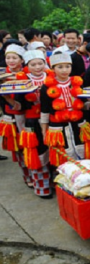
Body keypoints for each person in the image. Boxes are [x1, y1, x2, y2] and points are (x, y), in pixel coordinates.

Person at [40, 52, 90, 167]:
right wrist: (44, 130)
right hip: (58, 126)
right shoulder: (46, 87)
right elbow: (45, 110)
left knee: (83, 153)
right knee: (63, 158)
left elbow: (84, 104)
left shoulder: (78, 82)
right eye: (60, 67)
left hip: (78, 123)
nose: (64, 70)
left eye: (67, 66)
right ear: (53, 68)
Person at [14, 50, 51, 198]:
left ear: (45, 63)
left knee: (52, 150)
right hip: (32, 121)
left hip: (50, 120)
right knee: (37, 153)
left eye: (40, 63)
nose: (37, 67)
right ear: (27, 65)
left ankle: (55, 182)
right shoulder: (21, 80)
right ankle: (42, 187)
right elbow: (19, 106)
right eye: (33, 64)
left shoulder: (50, 77)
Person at [0, 44, 30, 186]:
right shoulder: (2, 74)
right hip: (10, 115)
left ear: (21, 60)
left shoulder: (28, 73)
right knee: (18, 146)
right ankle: (26, 176)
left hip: (28, 114)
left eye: (14, 58)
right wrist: (7, 98)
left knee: (31, 145)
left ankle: (35, 173)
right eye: (8, 58)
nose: (10, 61)